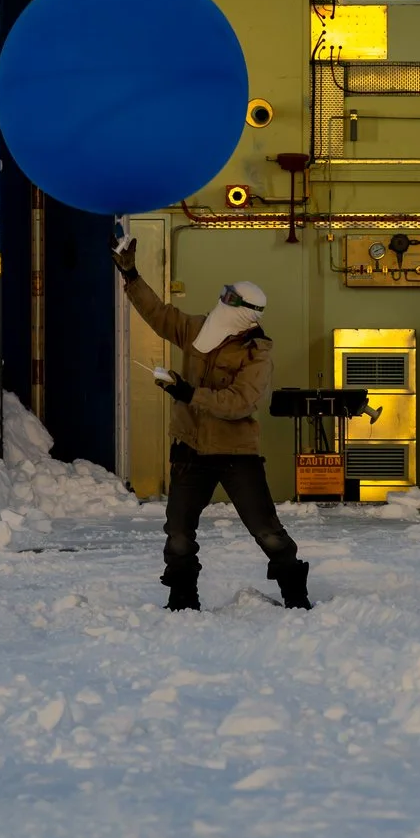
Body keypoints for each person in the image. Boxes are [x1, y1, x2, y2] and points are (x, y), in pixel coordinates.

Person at [113, 236, 311, 612]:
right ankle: (182, 599)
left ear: (245, 313)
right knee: (178, 535)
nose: (222, 304)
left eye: (230, 301)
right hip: (191, 451)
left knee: (267, 532)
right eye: (224, 296)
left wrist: (189, 394)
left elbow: (241, 402)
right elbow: (159, 314)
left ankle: (295, 594)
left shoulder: (257, 353)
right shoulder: (198, 330)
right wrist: (131, 275)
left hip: (237, 454)